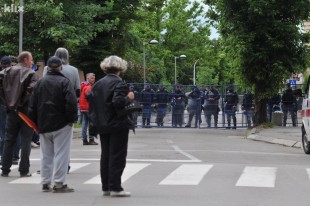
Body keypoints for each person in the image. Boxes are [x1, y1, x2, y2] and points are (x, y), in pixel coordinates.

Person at [28, 56, 77, 193]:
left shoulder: (40, 83)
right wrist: (70, 120)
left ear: (47, 68)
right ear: (61, 67)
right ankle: (59, 183)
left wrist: (35, 124)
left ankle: (45, 182)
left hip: (44, 123)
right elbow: (71, 103)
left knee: (46, 154)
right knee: (61, 153)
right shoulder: (65, 82)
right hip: (62, 123)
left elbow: (32, 106)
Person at [88, 55, 134, 197]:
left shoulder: (98, 84)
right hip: (117, 124)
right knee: (118, 156)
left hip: (102, 124)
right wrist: (129, 98)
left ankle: (106, 186)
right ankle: (116, 187)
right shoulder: (119, 83)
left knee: (106, 155)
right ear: (120, 68)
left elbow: (92, 103)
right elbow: (118, 102)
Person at [0, 51, 38, 177]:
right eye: (31, 59)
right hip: (26, 112)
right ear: (26, 60)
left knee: (9, 139)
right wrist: (21, 102)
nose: (32, 62)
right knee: (26, 140)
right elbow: (32, 90)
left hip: (11, 110)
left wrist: (8, 103)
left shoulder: (6, 72)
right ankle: (24, 169)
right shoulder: (31, 73)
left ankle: (5, 168)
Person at [79, 73, 98, 145]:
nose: (94, 79)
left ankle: (84, 140)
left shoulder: (83, 85)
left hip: (83, 107)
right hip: (88, 107)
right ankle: (91, 139)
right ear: (88, 79)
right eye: (92, 78)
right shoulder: (88, 87)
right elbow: (89, 96)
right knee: (91, 123)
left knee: (84, 123)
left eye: (94, 78)